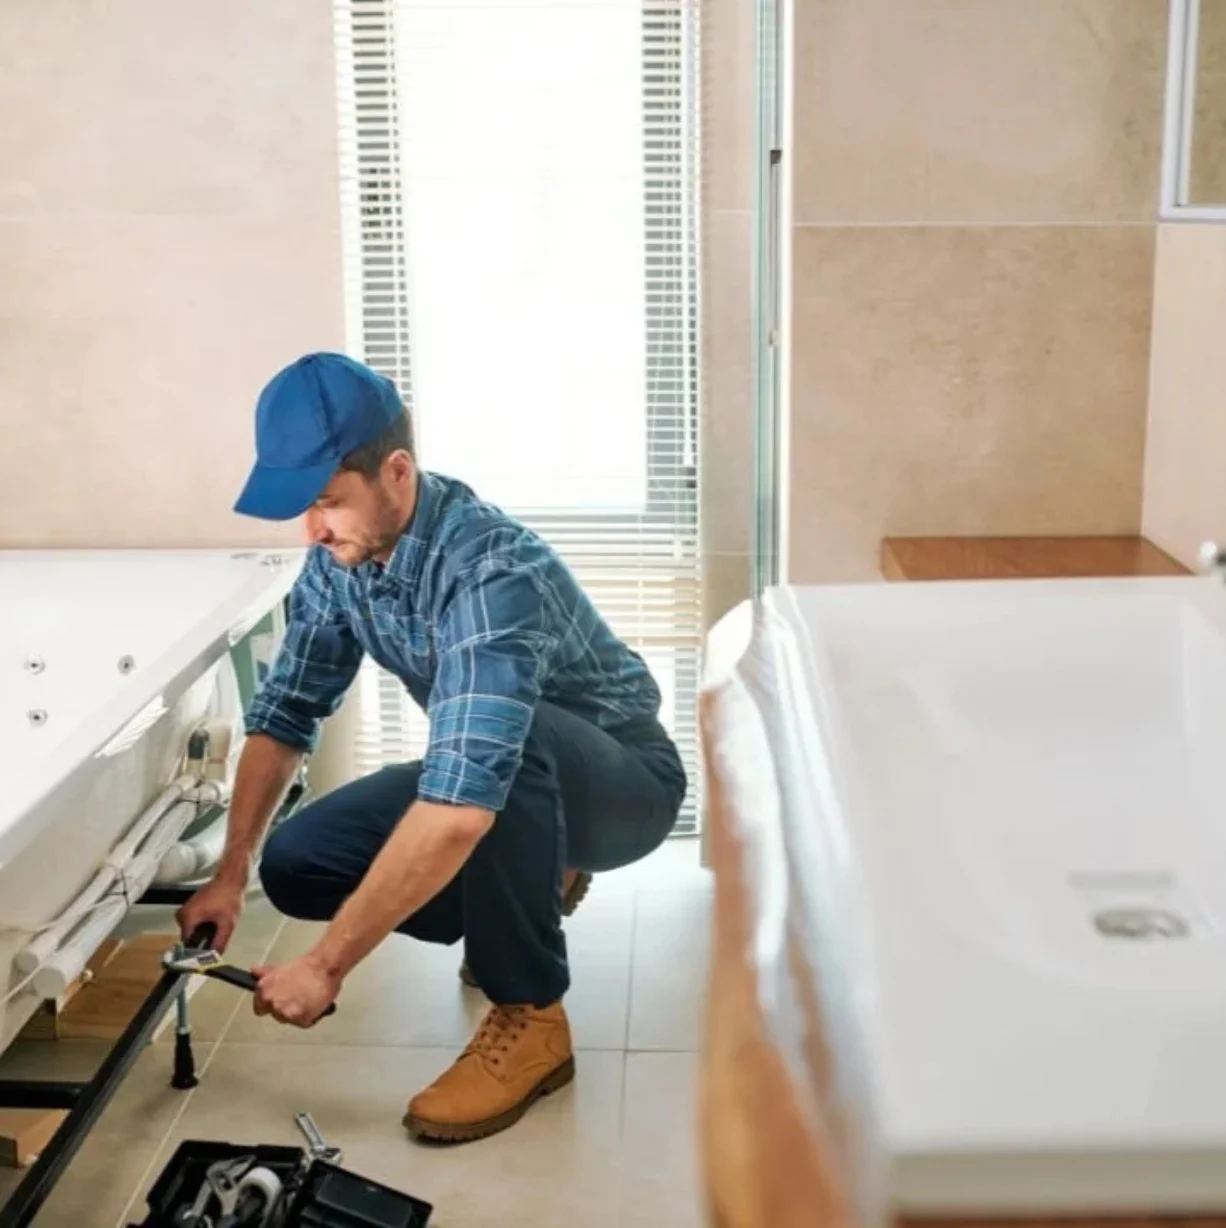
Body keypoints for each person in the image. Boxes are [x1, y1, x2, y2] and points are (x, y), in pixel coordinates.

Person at [176, 352, 687, 1143]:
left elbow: (462, 800)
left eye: (328, 502)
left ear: (397, 473)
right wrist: (230, 873)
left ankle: (531, 1014)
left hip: (623, 784)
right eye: (305, 507)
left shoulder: (492, 570)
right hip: (505, 772)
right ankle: (528, 884)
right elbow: (286, 714)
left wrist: (325, 966)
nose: (313, 529)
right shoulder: (339, 561)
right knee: (297, 863)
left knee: (496, 762)